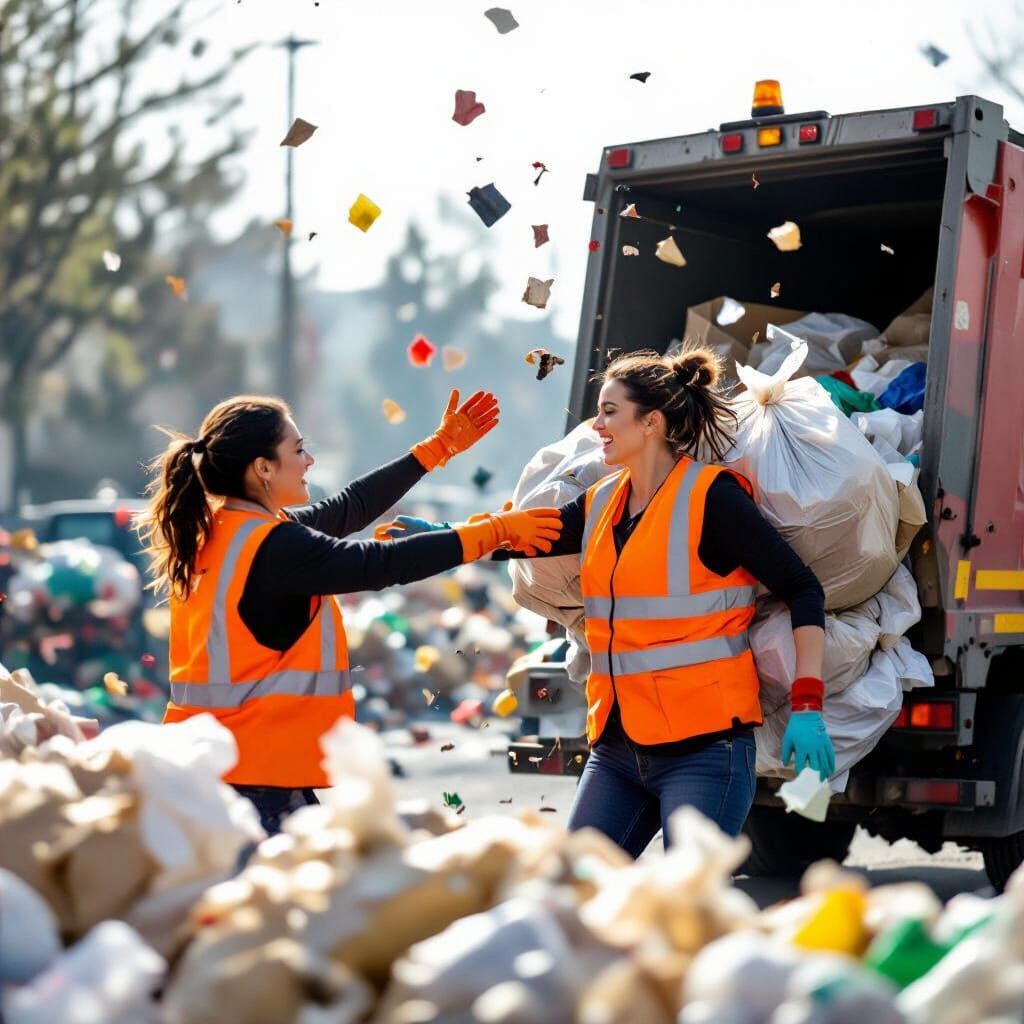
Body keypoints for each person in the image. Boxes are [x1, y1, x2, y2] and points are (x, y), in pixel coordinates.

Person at [379, 348, 833, 857]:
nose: (597, 424)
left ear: (652, 422)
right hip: (618, 748)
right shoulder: (601, 500)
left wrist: (808, 705)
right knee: (571, 892)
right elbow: (527, 537)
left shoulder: (713, 499)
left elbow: (803, 588)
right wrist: (447, 535)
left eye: (610, 411)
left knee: (679, 909)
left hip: (705, 750)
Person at [136, 391, 561, 835]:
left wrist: (438, 448)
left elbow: (347, 508)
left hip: (218, 768)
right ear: (263, 468)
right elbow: (381, 564)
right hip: (254, 776)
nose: (309, 462)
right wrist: (496, 531)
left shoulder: (224, 534)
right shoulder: (276, 546)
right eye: (298, 451)